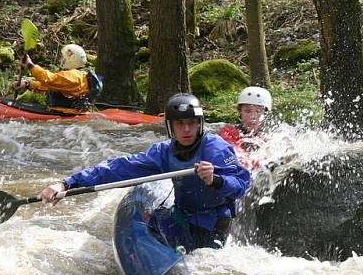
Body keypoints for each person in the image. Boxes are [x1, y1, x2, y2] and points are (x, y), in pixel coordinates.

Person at [39, 93, 251, 251]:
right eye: (180, 124)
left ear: (199, 124)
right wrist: (67, 183)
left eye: (191, 123)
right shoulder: (164, 152)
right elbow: (119, 168)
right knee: (155, 217)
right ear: (170, 127)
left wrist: (216, 179)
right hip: (183, 215)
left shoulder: (215, 148)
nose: (186, 130)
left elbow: (240, 186)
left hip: (211, 225)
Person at [11, 43, 100, 114]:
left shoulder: (74, 76)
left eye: (62, 57)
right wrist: (27, 84)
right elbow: (52, 85)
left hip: (66, 114)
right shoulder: (79, 75)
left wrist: (30, 65)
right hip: (63, 113)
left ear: (70, 59)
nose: (60, 60)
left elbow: (49, 79)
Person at [216, 86, 273, 169]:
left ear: (265, 115)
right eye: (247, 111)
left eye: (258, 112)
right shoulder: (227, 132)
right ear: (240, 113)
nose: (253, 116)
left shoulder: (267, 139)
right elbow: (235, 157)